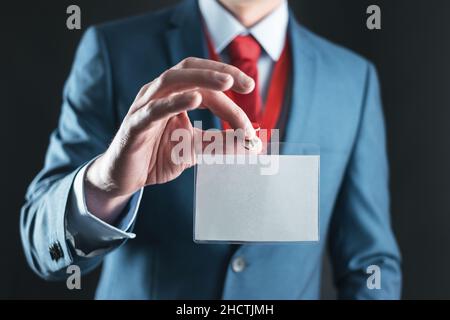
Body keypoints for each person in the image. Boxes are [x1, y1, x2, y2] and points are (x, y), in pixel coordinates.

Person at [20, 0, 401, 299]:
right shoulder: (112, 49)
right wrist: (105, 186)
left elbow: (370, 263)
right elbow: (40, 243)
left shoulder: (353, 79)